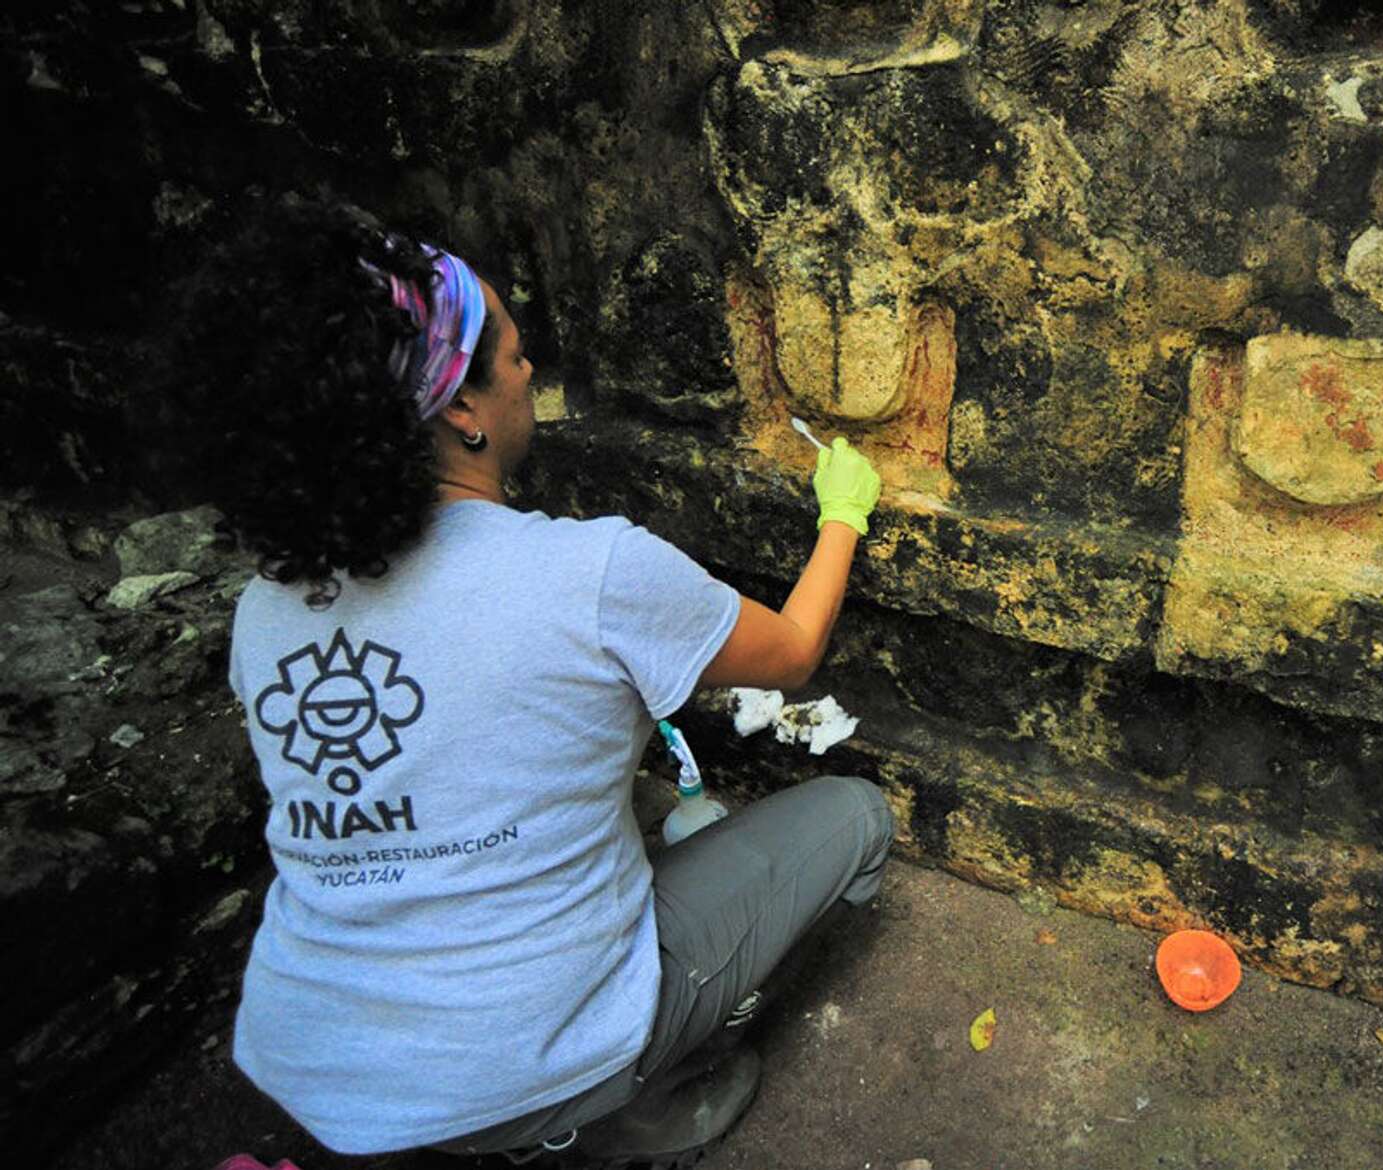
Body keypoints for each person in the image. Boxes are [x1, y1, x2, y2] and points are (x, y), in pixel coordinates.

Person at [164, 195, 893, 1164]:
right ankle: (626, 1107)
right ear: (462, 408)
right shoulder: (589, 575)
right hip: (526, 1057)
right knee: (852, 819)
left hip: (322, 1074)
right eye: (511, 353)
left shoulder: (266, 611)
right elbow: (795, 652)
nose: (528, 368)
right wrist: (841, 513)